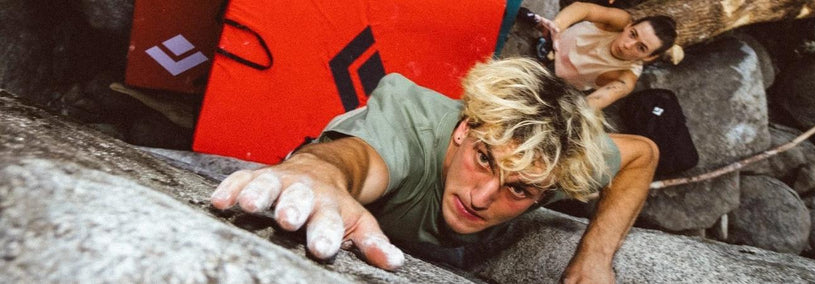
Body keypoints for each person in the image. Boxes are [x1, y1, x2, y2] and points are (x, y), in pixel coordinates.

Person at [209, 58, 658, 283]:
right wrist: (315, 173)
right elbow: (357, 161)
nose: (482, 197)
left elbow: (642, 154)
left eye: (518, 190)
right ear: (465, 127)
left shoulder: (549, 167)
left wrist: (594, 257)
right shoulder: (409, 127)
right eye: (485, 159)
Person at [524, 2, 680, 109]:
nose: (627, 45)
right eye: (632, 34)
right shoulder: (621, 20)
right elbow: (583, 8)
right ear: (629, 26)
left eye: (641, 48)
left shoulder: (626, 77)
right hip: (548, 41)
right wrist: (556, 26)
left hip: (551, 77)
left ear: (649, 57)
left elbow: (597, 101)